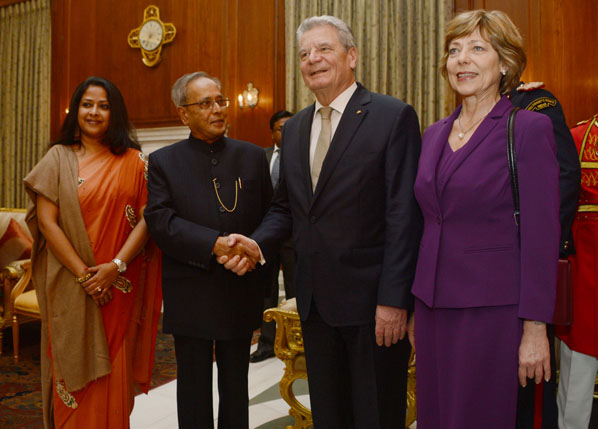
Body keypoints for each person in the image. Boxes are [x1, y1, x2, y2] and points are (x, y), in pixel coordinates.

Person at [219, 15, 422, 428]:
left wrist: (394, 299)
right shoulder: (294, 130)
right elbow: (286, 208)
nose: (313, 59)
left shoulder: (391, 116)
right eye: (304, 54)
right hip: (314, 306)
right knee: (329, 416)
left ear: (352, 56)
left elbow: (404, 214)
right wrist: (257, 245)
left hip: (373, 307)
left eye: (323, 49)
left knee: (376, 415)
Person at [408, 10, 559, 428]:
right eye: (454, 50)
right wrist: (417, 308)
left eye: (477, 48)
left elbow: (542, 237)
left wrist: (535, 329)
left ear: (505, 62)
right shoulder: (434, 134)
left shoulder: (527, 129)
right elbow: (428, 223)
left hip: (492, 311)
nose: (462, 59)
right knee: (436, 417)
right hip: (434, 307)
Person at [23, 76, 162, 429]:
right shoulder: (57, 158)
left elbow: (148, 220)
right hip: (71, 286)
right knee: (70, 364)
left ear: (114, 113)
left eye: (103, 105)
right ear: (75, 110)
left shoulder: (135, 162)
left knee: (113, 369)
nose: (95, 112)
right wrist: (86, 275)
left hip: (117, 288)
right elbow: (47, 222)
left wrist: (115, 267)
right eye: (87, 104)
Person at [143, 72, 272, 429]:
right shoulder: (164, 161)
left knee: (236, 385)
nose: (217, 109)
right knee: (194, 387)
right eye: (205, 103)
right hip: (191, 288)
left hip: (240, 285)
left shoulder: (252, 156)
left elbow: (271, 215)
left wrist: (250, 254)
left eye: (220, 101)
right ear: (184, 114)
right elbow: (160, 221)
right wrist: (213, 245)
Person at [509, 82, 581, 428]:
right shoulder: (462, 115)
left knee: (530, 386)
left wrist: (538, 248)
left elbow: (565, 179)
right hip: (485, 274)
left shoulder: (536, 103)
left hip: (527, 267)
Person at [555, 108, 598, 429]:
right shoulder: (575, 138)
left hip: (587, 277)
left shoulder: (577, 136)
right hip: (586, 277)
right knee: (577, 376)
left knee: (577, 382)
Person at [250, 110, 295, 363]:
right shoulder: (261, 156)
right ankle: (266, 344)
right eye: (280, 128)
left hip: (294, 238)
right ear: (272, 133)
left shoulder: (303, 155)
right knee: (266, 293)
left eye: (290, 126)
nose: (285, 132)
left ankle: (299, 344)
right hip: (266, 237)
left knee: (295, 290)